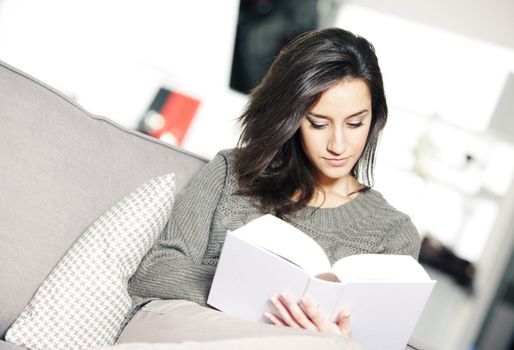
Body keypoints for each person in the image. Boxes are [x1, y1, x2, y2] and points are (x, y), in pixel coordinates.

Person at [126, 27, 420, 348]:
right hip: (184, 328)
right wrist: (264, 299)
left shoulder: (393, 233)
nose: (339, 144)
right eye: (318, 123)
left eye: (355, 123)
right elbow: (154, 272)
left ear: (375, 118)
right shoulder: (232, 172)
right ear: (291, 119)